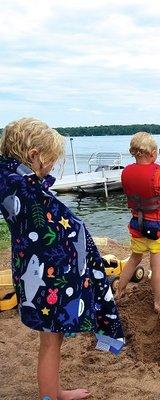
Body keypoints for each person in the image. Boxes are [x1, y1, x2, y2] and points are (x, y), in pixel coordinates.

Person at [0, 118, 125, 400]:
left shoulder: (12, 181)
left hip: (33, 268)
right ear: (34, 155)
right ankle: (50, 395)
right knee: (52, 341)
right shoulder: (24, 187)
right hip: (47, 275)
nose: (53, 167)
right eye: (51, 160)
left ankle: (54, 390)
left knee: (51, 339)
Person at [115, 132, 160, 313]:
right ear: (152, 153)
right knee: (156, 266)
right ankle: (158, 303)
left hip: (137, 224)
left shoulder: (126, 172)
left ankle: (119, 291)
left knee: (134, 258)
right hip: (157, 227)